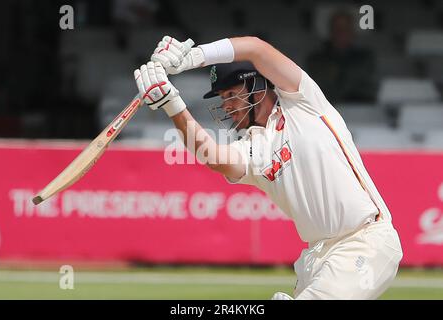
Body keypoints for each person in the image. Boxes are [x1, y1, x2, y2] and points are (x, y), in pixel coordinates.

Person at [133, 36, 403, 299]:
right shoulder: (251, 148)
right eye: (221, 97)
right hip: (316, 258)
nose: (226, 105)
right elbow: (214, 157)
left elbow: (256, 49)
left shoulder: (303, 103)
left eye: (231, 93)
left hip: (367, 241)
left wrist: (192, 58)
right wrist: (172, 104)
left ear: (257, 85)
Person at [306, 10, 377, 103]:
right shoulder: (315, 60)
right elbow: (316, 89)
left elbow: (368, 89)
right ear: (331, 31)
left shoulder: (366, 58)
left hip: (359, 109)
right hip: (325, 109)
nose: (341, 33)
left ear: (352, 32)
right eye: (337, 28)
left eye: (345, 28)